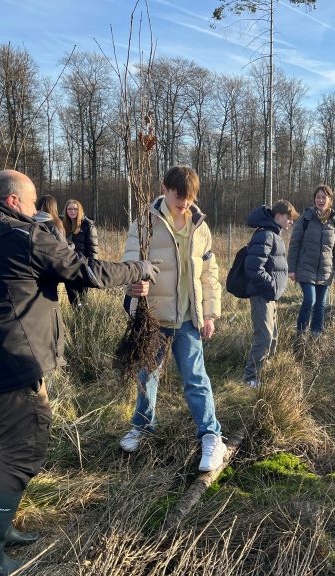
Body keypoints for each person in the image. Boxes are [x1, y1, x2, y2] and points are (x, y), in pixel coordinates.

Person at [0, 169, 158, 576]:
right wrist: (138, 269)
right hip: (16, 370)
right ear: (14, 201)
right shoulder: (23, 237)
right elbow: (89, 272)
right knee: (22, 455)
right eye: (32, 202)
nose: (36, 210)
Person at [120, 165, 226, 472]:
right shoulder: (144, 224)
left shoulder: (200, 225)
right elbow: (129, 264)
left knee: (196, 379)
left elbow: (209, 273)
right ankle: (142, 426)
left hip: (190, 320)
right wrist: (134, 282)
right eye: (179, 196)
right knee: (146, 376)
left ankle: (211, 435)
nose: (184, 204)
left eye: (190, 198)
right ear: (165, 188)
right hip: (155, 318)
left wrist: (209, 314)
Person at [242, 199, 298, 388]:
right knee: (264, 337)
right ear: (279, 216)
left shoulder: (274, 234)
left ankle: (265, 373)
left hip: (270, 296)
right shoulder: (266, 234)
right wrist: (272, 286)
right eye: (289, 218)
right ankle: (251, 377)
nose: (291, 222)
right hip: (262, 295)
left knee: (273, 336)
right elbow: (253, 267)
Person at [287, 184, 335, 337]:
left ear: (330, 199)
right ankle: (300, 334)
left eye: (324, 197)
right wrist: (291, 269)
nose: (320, 200)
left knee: (321, 305)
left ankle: (316, 336)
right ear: (314, 200)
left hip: (325, 271)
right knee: (310, 301)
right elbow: (294, 244)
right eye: (318, 197)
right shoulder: (305, 219)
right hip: (306, 269)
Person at [63, 199, 98, 308]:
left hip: (83, 266)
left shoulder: (88, 226)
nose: (72, 211)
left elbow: (93, 249)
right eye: (69, 209)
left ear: (80, 210)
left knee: (83, 297)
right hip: (68, 266)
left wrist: (92, 267)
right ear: (66, 211)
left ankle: (84, 317)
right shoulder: (64, 225)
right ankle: (76, 318)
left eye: (75, 209)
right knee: (72, 296)